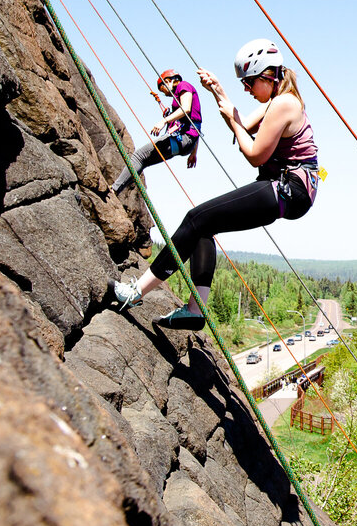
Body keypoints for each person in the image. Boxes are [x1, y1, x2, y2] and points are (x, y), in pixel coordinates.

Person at [110, 38, 318, 330]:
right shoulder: (277, 101)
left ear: (268, 75)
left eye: (249, 83)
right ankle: (195, 312)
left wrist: (232, 120)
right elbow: (242, 124)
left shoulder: (284, 104)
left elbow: (255, 154)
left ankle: (136, 293)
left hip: (288, 188)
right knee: (204, 225)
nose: (246, 89)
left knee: (195, 219)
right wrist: (217, 91)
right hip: (288, 189)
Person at [112, 68, 201, 193]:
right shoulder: (178, 97)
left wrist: (163, 121)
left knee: (139, 156)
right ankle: (116, 190)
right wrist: (193, 153)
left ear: (168, 81)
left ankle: (114, 189)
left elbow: (185, 109)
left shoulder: (183, 85)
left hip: (182, 139)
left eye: (163, 89)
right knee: (144, 161)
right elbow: (195, 124)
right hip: (187, 143)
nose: (165, 94)